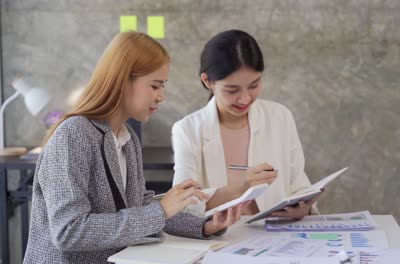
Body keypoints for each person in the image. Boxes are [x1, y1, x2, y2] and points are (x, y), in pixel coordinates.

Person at [23, 32, 245, 264]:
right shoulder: (74, 134)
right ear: (122, 80)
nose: (161, 97)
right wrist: (161, 211)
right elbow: (69, 231)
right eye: (155, 86)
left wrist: (205, 226)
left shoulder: (128, 139)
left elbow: (139, 205)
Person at [172, 29, 319, 220]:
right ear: (207, 81)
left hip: (276, 235)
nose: (245, 98)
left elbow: (299, 185)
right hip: (221, 240)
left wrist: (304, 209)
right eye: (232, 90)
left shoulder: (280, 117)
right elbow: (183, 205)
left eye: (254, 85)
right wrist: (241, 189)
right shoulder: (187, 130)